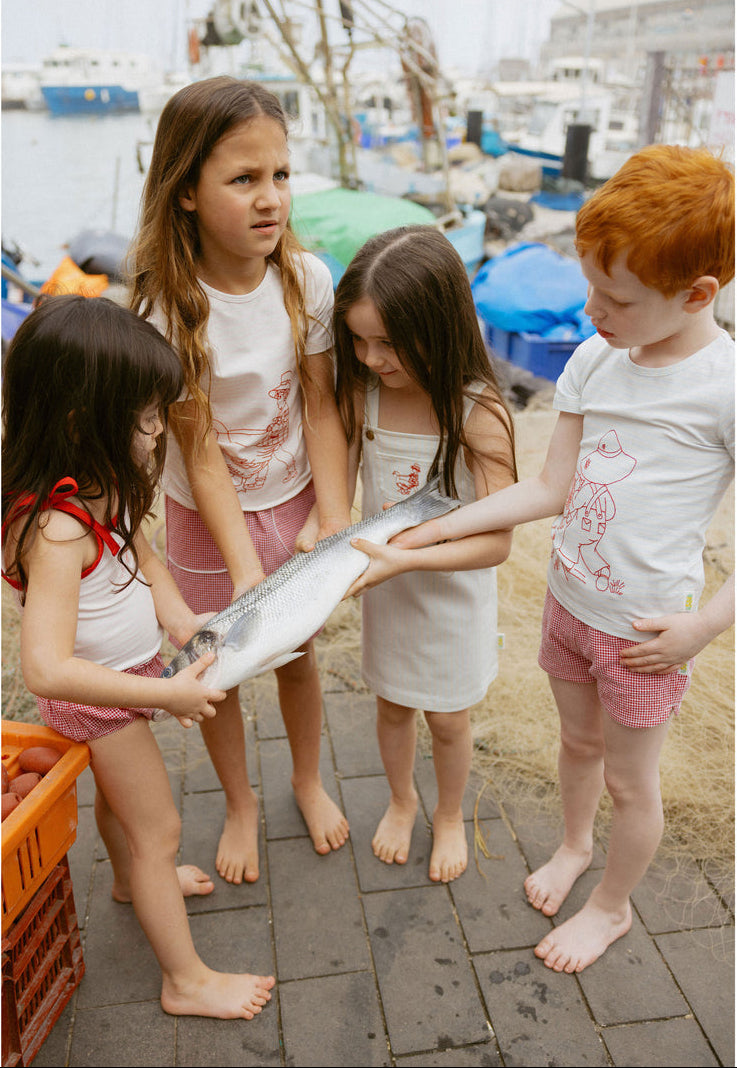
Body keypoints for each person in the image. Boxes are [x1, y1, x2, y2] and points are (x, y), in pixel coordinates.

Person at [395, 145, 735, 968]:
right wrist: (442, 526)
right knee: (575, 748)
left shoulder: (722, 383)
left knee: (631, 782)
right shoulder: (593, 357)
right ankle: (575, 846)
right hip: (567, 604)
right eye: (588, 285)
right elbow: (552, 485)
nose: (591, 310)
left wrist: (701, 632)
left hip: (643, 635)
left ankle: (612, 907)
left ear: (697, 294)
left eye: (615, 297)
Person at [1, 295, 275, 1019]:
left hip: (128, 684)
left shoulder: (103, 483)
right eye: (145, 417)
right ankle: (184, 980)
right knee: (162, 829)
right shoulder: (57, 530)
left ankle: (129, 882)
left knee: (126, 814)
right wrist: (165, 695)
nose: (158, 433)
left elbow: (144, 557)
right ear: (78, 421)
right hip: (99, 697)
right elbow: (46, 670)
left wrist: (183, 621)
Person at [128, 77, 352, 884]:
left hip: (294, 498)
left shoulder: (308, 281)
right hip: (205, 516)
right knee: (214, 668)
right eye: (243, 179)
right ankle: (240, 801)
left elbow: (323, 408)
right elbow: (201, 454)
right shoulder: (169, 306)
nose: (271, 200)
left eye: (281, 176)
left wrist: (331, 512)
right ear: (185, 191)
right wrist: (250, 572)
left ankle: (305, 778)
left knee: (296, 653)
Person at [333, 225, 517, 883]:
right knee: (389, 704)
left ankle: (445, 813)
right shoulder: (367, 394)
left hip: (448, 599)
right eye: (358, 340)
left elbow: (496, 540)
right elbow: (339, 476)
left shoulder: (478, 412)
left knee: (446, 718)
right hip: (389, 594)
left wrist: (407, 557)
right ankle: (401, 799)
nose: (370, 356)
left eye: (388, 342)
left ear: (437, 326)